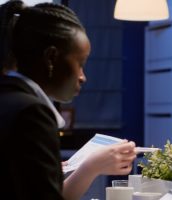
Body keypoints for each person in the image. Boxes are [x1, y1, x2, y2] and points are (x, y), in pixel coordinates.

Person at [0, 1, 137, 200]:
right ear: (51, 57)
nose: (83, 77)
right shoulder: (32, 113)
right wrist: (91, 166)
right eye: (80, 63)